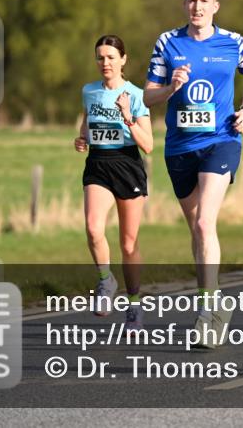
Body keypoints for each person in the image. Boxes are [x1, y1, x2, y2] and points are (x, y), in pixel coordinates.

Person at [143, 0, 243, 347]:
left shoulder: (233, 42)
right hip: (180, 146)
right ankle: (215, 301)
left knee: (206, 221)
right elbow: (148, 98)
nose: (197, 7)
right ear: (184, 4)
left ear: (215, 6)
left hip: (222, 140)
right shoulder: (168, 42)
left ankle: (206, 313)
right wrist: (171, 88)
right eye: (191, 0)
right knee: (197, 228)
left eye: (204, 1)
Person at [75, 35, 153, 330]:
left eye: (110, 57)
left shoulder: (135, 94)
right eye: (100, 57)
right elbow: (87, 122)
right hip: (98, 164)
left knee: (128, 244)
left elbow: (149, 146)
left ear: (123, 59)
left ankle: (134, 304)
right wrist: (82, 138)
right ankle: (106, 281)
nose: (104, 63)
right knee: (94, 228)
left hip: (128, 165)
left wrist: (127, 116)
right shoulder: (89, 91)